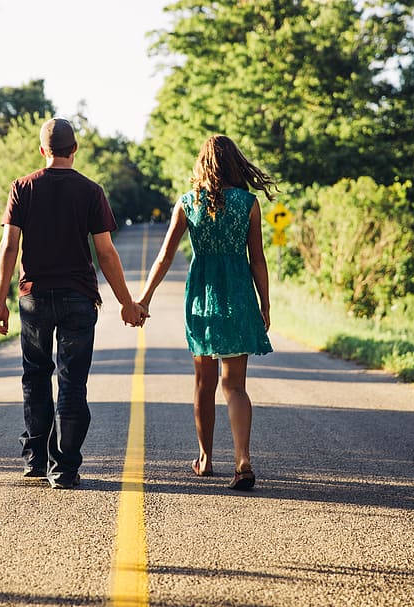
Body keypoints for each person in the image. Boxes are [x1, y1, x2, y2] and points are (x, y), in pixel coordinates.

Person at [0, 117, 146, 490]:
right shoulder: (91, 191)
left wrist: (0, 302)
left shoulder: (22, 187)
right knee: (72, 383)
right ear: (74, 149)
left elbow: (9, 246)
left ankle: (35, 460)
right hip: (78, 299)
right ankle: (65, 468)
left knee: (35, 376)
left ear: (42, 150)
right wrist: (127, 303)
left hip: (34, 299)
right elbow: (106, 253)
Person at [137, 134, 274, 491]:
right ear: (234, 164)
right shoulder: (249, 203)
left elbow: (165, 256)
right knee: (236, 386)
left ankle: (206, 458)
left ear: (203, 164)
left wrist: (145, 297)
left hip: (202, 298)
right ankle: (243, 461)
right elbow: (257, 258)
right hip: (240, 294)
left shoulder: (188, 203)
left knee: (204, 384)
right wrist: (265, 302)